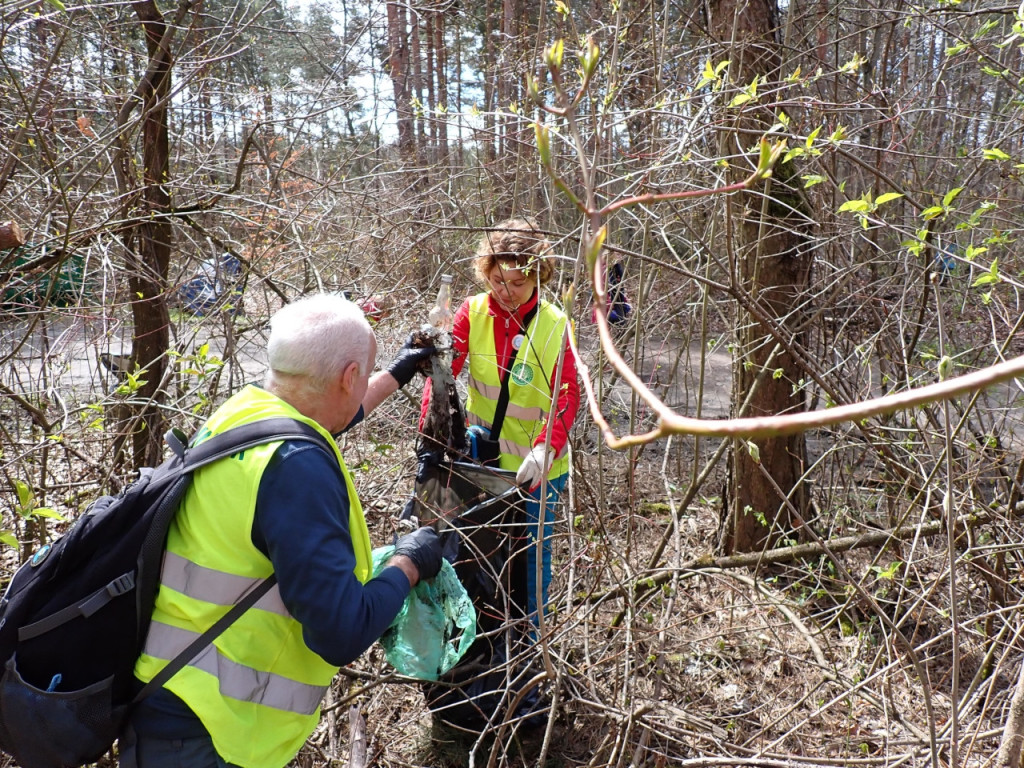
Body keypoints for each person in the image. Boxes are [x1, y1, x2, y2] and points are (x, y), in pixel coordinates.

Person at [122, 293, 442, 768]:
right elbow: (340, 632)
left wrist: (397, 371)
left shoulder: (244, 416)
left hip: (167, 697)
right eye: (362, 376)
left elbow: (335, 412)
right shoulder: (297, 469)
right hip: (210, 734)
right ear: (348, 377)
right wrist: (409, 563)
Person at [419, 217, 580, 629]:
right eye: (497, 280)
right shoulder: (471, 313)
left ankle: (530, 646)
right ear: (485, 272)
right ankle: (486, 638)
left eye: (518, 283)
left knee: (531, 562)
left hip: (537, 471)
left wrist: (547, 447)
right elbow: (443, 375)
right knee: (479, 555)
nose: (506, 292)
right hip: (482, 465)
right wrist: (431, 433)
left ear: (538, 276)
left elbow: (567, 396)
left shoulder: (555, 324)